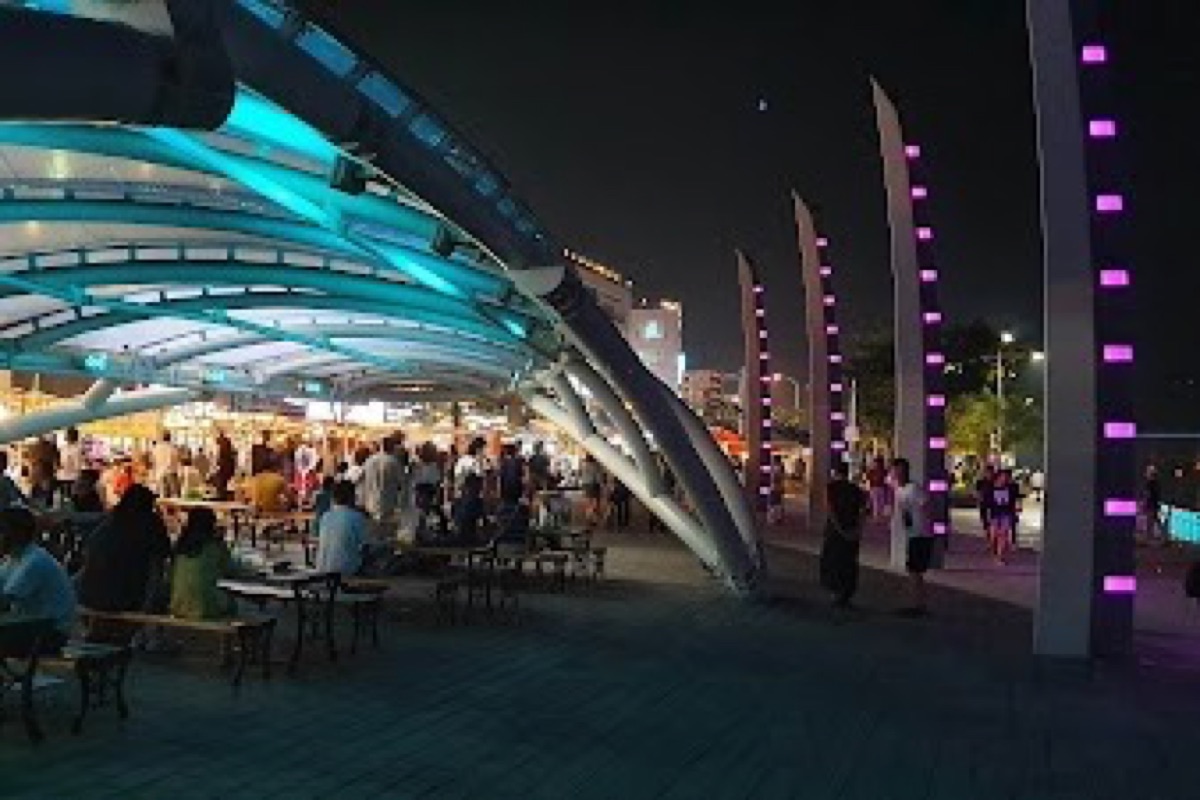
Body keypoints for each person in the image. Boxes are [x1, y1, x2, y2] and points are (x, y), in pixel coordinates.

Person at [76, 484, 171, 614]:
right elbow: (158, 564)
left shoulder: (109, 520)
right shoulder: (151, 524)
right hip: (125, 598)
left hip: (90, 594)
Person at [0, 507, 77, 651]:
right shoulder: (12, 560)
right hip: (34, 626)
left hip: (52, 632)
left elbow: (4, 601)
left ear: (14, 534)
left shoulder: (34, 561)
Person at [169, 508, 235, 620]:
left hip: (178, 607)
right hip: (206, 609)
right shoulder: (215, 545)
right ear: (211, 525)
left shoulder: (180, 546)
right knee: (239, 606)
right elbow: (231, 570)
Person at [820, 461, 869, 608]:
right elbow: (864, 512)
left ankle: (835, 593)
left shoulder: (830, 488)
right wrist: (858, 530)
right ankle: (847, 593)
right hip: (852, 531)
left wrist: (839, 529)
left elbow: (830, 511)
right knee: (849, 562)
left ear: (835, 473)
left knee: (833, 561)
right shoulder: (857, 490)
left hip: (835, 532)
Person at [891, 458, 931, 617]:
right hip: (912, 533)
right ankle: (918, 603)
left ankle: (918, 605)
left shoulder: (914, 489)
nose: (896, 474)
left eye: (899, 471)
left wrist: (926, 527)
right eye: (895, 471)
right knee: (914, 570)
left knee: (915, 570)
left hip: (920, 533)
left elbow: (927, 505)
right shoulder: (899, 489)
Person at [316, 480, 367, 576]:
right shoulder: (357, 517)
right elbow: (365, 546)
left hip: (322, 569)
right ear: (352, 497)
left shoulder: (325, 516)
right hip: (347, 570)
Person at [361, 435, 403, 531]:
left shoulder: (369, 460)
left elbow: (362, 478)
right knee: (385, 532)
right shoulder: (393, 462)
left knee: (373, 530)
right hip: (387, 502)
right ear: (391, 447)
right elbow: (401, 482)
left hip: (370, 502)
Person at [988, 469, 1021, 565]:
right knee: (993, 536)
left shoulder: (1011, 488)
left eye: (1005, 477)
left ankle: (999, 557)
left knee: (1003, 535)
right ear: (997, 477)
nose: (1004, 479)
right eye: (1002, 477)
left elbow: (1016, 498)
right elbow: (986, 503)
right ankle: (994, 552)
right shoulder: (990, 488)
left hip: (1006, 513)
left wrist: (1017, 508)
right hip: (994, 514)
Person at [58, 426, 84, 502]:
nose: (65, 436)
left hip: (67, 477)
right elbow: (77, 466)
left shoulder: (66, 448)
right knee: (67, 499)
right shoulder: (72, 449)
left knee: (66, 499)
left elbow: (77, 465)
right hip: (67, 477)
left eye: (66, 435)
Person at [152, 432, 181, 499]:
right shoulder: (172, 448)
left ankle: (165, 509)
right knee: (175, 494)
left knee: (163, 495)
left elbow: (154, 462)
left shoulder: (156, 448)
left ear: (162, 438)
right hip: (170, 472)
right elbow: (175, 461)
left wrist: (154, 474)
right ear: (170, 438)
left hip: (159, 473)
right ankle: (173, 509)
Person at [580, 453, 604, 526]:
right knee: (595, 504)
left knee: (589, 503)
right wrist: (602, 485)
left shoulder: (583, 465)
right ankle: (594, 519)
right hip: (593, 485)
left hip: (585, 485)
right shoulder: (595, 466)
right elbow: (598, 477)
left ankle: (589, 518)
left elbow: (581, 475)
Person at [1143, 465, 1164, 542]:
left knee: (1150, 522)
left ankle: (1149, 538)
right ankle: (1163, 536)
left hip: (1151, 505)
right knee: (1155, 521)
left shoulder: (1150, 483)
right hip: (1154, 505)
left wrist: (1145, 503)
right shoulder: (1156, 483)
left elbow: (1148, 495)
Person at [213, 430, 236, 499]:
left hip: (225, 469)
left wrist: (219, 463)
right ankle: (222, 495)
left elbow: (222, 461)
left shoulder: (225, 446)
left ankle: (222, 496)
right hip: (226, 469)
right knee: (222, 485)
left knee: (222, 485)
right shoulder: (226, 447)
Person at [974, 464, 996, 536]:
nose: (989, 474)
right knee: (984, 519)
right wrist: (979, 499)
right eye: (987, 472)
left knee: (993, 519)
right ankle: (987, 532)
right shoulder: (980, 482)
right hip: (984, 503)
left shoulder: (995, 481)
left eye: (990, 472)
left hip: (994, 503)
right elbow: (977, 492)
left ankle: (992, 533)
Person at [767, 454, 787, 524]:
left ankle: (774, 518)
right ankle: (778, 517)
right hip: (778, 487)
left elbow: (775, 478)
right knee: (778, 502)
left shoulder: (776, 468)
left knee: (773, 502)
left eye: (773, 460)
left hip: (775, 488)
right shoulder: (781, 467)